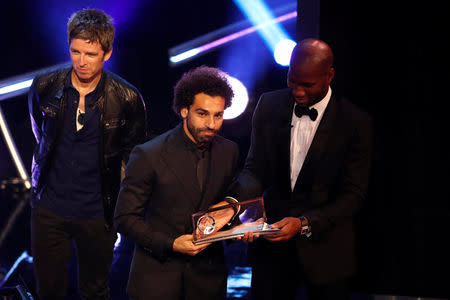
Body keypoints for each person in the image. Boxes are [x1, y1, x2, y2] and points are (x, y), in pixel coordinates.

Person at [230, 38, 373, 299]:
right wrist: (241, 211)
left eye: (307, 84)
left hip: (327, 253)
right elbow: (254, 170)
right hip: (271, 251)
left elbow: (353, 195)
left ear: (329, 75)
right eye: (292, 80)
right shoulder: (268, 105)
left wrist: (304, 223)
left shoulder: (354, 122)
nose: (297, 91)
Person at [28, 8, 147, 299]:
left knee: (95, 291)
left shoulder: (127, 98)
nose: (81, 62)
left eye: (90, 54)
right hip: (49, 209)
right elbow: (40, 134)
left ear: (107, 54)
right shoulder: (45, 86)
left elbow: (134, 155)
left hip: (98, 213)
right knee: (48, 292)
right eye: (75, 52)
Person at [113, 66, 239, 300]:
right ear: (184, 110)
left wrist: (240, 227)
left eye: (218, 115)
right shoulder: (148, 154)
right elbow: (124, 218)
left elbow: (225, 206)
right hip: (157, 282)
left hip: (209, 282)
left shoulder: (229, 151)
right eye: (202, 114)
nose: (212, 124)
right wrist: (171, 244)